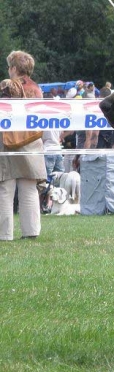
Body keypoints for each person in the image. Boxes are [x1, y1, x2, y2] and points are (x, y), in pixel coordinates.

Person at [0, 52, 46, 240]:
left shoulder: (6, 86)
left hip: (7, 142)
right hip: (32, 142)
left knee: (5, 188)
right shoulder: (37, 89)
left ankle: (4, 234)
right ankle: (31, 232)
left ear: (13, 68)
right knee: (29, 188)